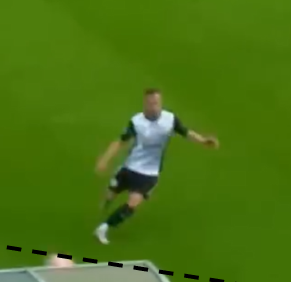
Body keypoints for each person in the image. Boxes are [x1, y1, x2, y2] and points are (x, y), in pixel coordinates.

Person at [93, 88, 218, 244]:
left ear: (161, 102)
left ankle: (104, 227)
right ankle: (106, 203)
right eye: (150, 103)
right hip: (130, 166)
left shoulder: (170, 119)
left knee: (133, 204)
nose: (154, 106)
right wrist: (105, 160)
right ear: (145, 104)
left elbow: (186, 132)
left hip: (149, 173)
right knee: (110, 194)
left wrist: (203, 140)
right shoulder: (136, 122)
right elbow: (120, 142)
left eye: (156, 103)